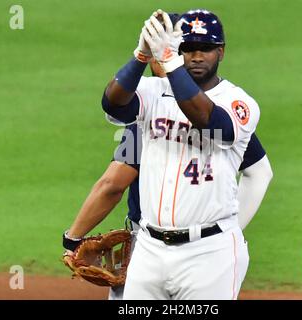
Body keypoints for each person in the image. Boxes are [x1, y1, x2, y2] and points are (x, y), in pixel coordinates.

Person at [101, 8, 261, 299]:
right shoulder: (153, 92)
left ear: (221, 52)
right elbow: (112, 103)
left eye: (206, 48)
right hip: (149, 249)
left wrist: (172, 64)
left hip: (209, 252)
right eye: (188, 48)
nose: (196, 56)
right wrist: (141, 56)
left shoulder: (239, 102)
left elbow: (208, 120)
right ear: (178, 48)